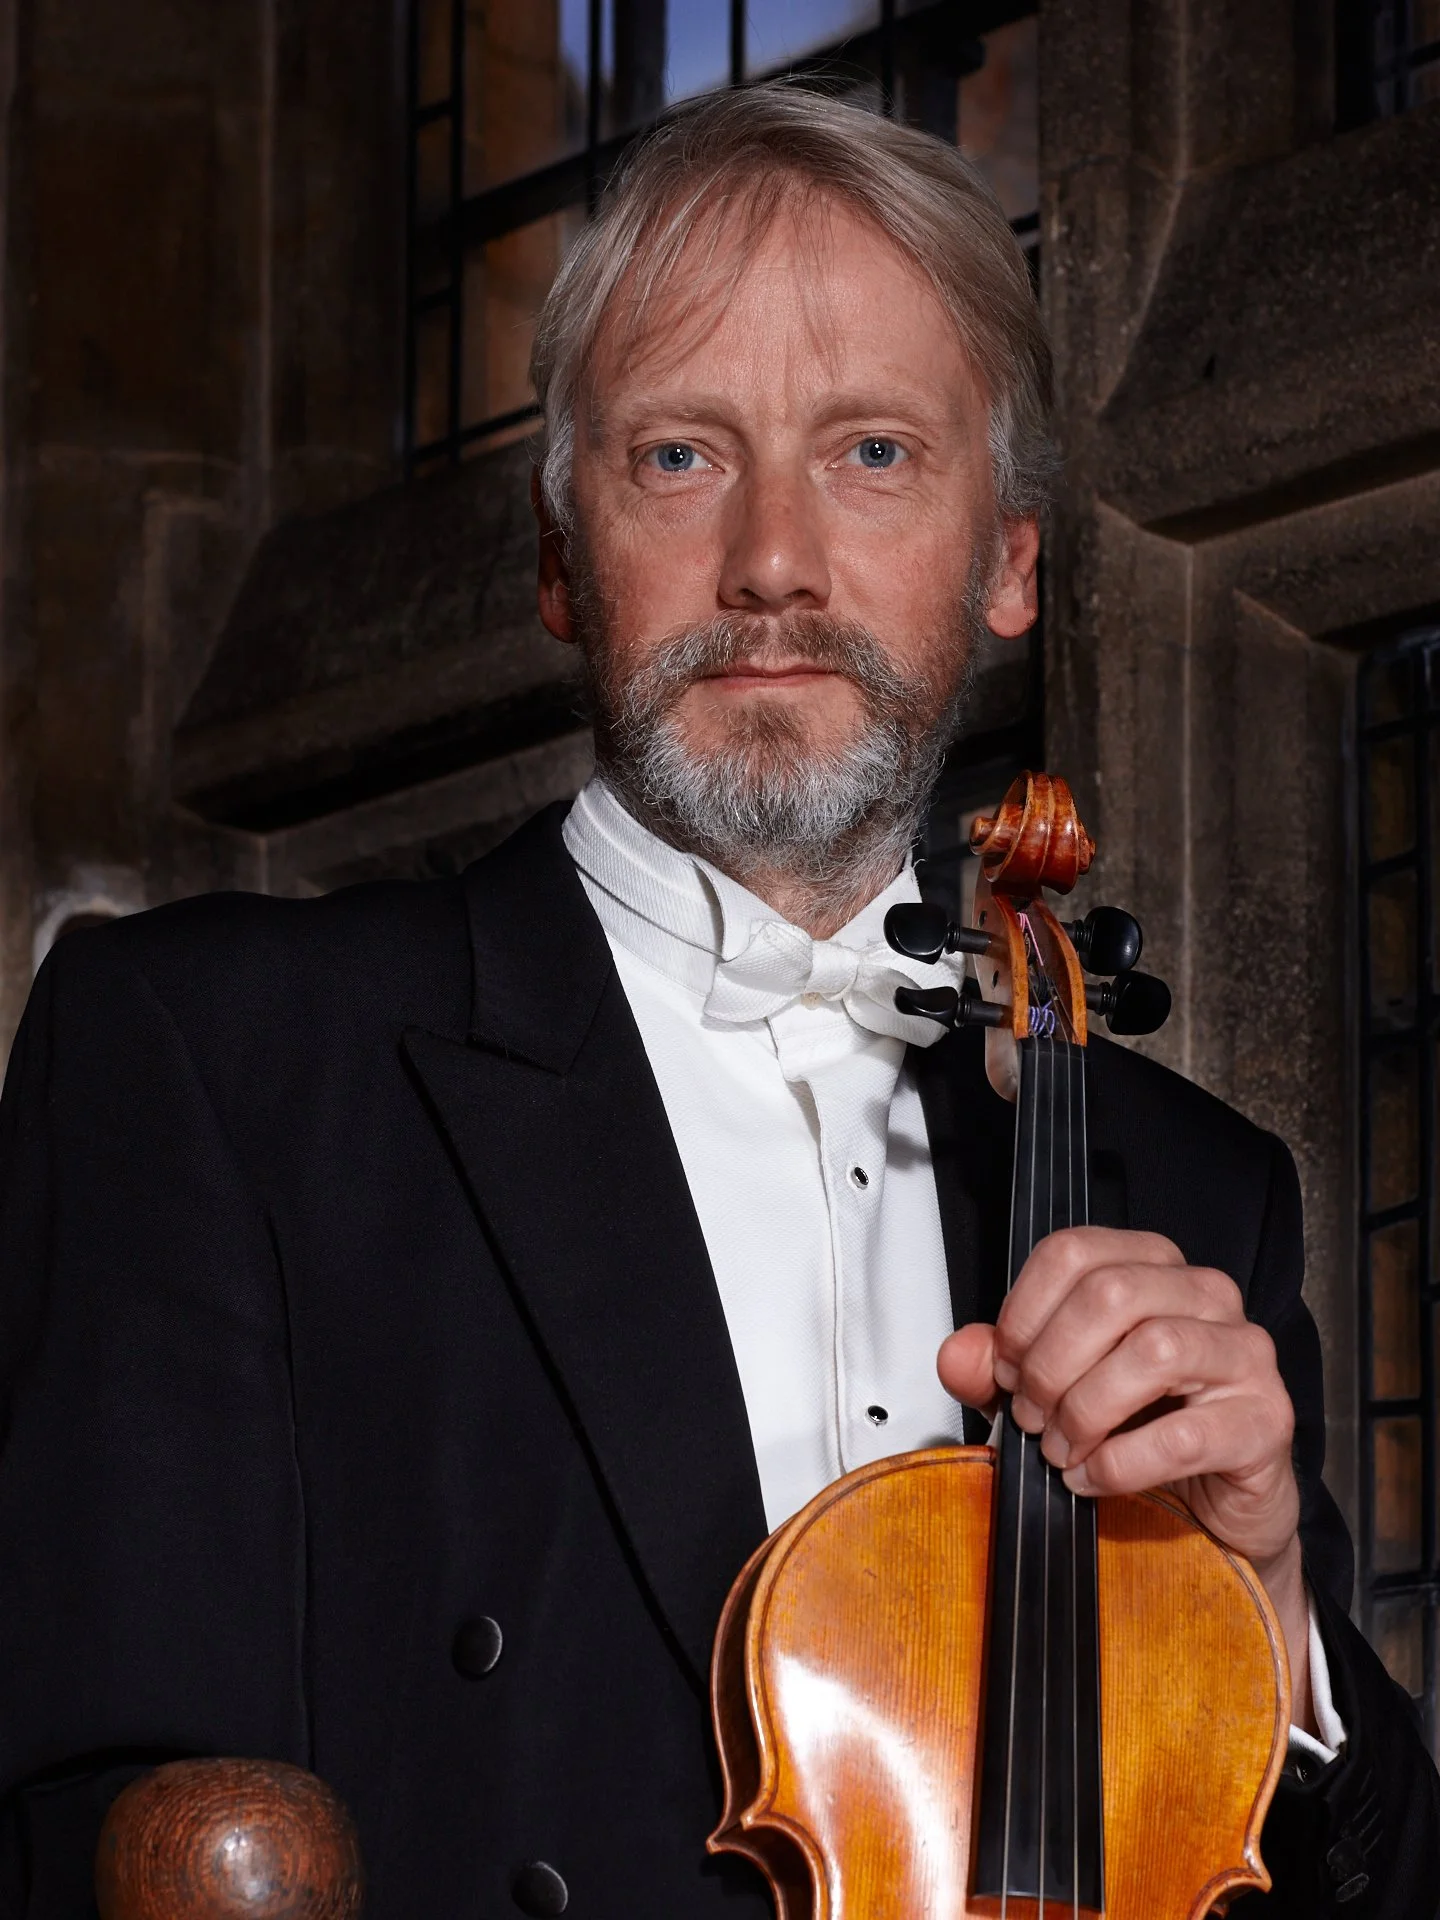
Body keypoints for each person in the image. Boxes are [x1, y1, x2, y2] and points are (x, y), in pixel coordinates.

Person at [0, 85, 1434, 1920]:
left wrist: (1279, 1620)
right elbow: (100, 1832)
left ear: (1010, 561)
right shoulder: (219, 1060)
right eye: (680, 456)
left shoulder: (1183, 1186)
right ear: (554, 554)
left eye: (874, 456)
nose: (773, 559)